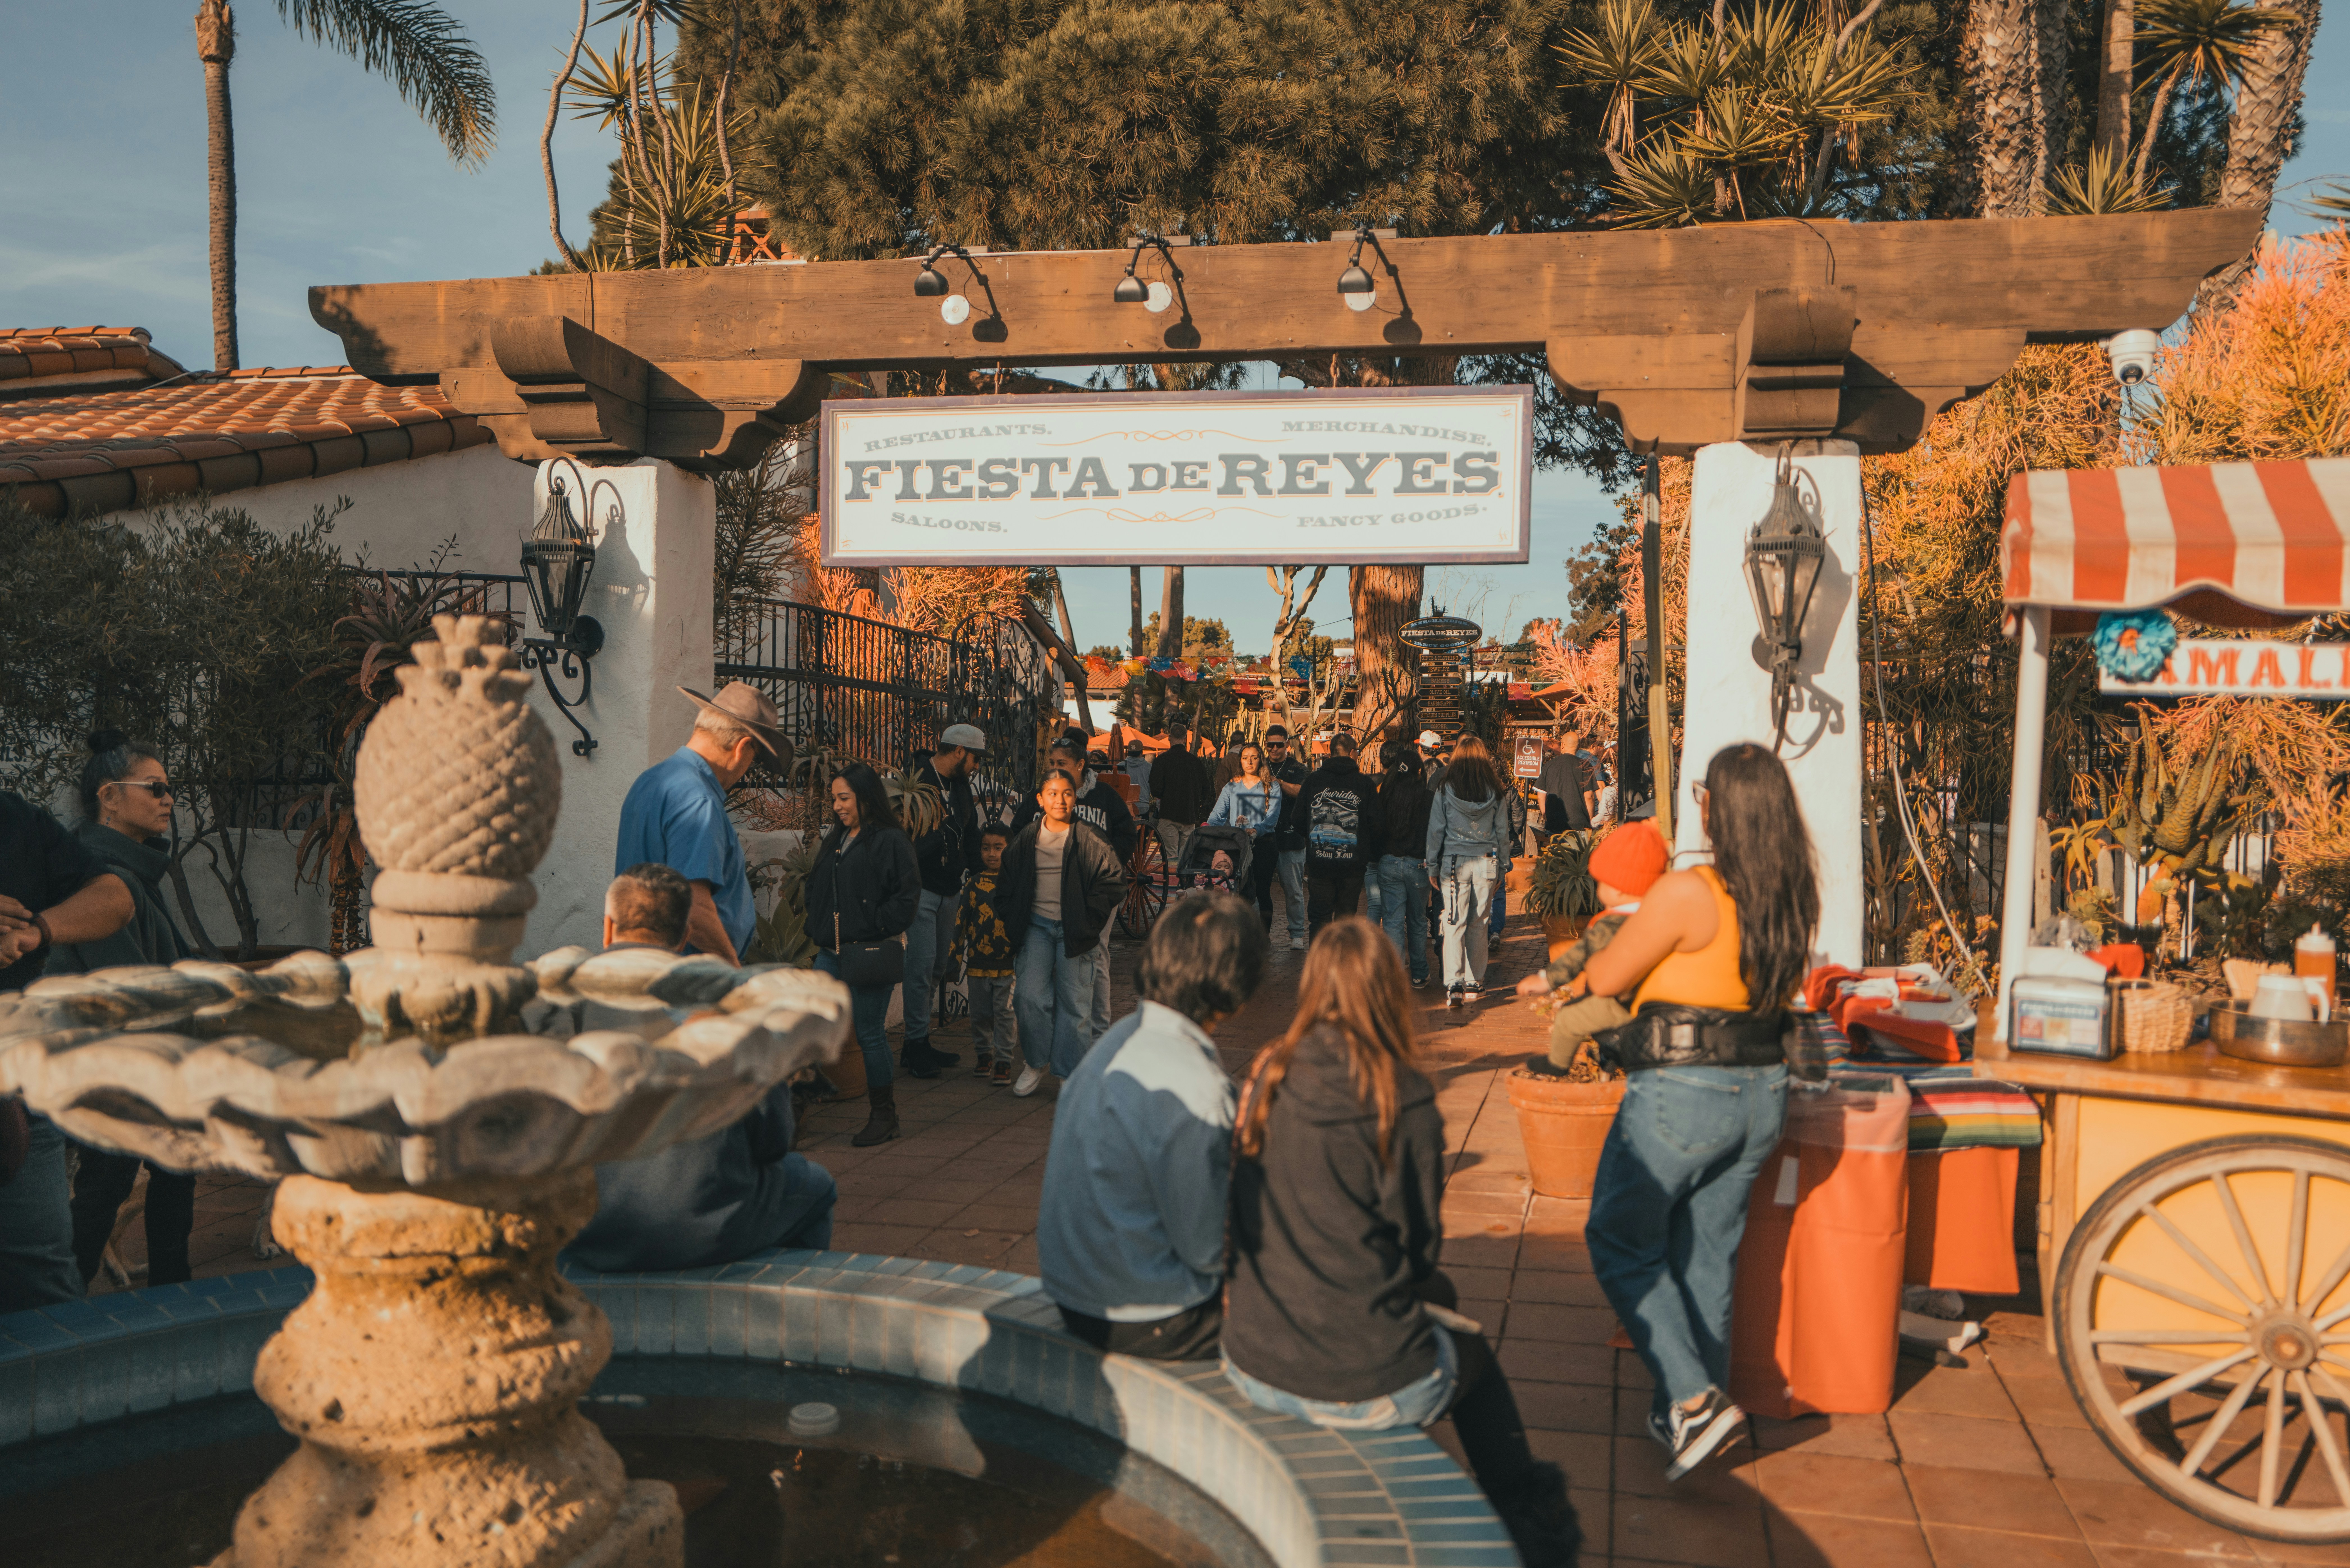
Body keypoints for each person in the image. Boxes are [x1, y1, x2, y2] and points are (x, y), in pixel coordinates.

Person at [1222, 919, 1579, 1567]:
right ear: (1388, 992)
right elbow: (1418, 1251)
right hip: (1354, 1371)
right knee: (1468, 1349)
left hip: (1253, 1353)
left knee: (1431, 1302)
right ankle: (1533, 1534)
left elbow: (1237, 1205)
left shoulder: (1268, 1074)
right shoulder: (1401, 1095)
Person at [1577, 744, 1817, 1481]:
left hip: (1686, 1092)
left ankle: (1693, 1401)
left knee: (1620, 1239)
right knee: (1707, 1256)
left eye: (1704, 793)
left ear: (1722, 808)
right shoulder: (1790, 894)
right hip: (1762, 1093)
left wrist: (1585, 977)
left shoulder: (1690, 891)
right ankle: (1687, 1412)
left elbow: (1610, 974)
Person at [568, 866, 836, 1270]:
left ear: (608, 929)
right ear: (682, 937)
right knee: (816, 1186)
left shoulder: (560, 1002)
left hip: (587, 1229)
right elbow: (774, 1140)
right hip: (702, 1229)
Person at [1039, 893, 1267, 1359]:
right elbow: (1206, 1249)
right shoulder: (1200, 1090)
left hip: (1070, 1288)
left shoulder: (1118, 1039)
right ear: (1234, 988)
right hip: (1143, 1314)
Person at [49, 734, 197, 1291]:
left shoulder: (125, 868)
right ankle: (59, 1301)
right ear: (109, 797)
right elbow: (126, 982)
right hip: (116, 1059)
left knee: (155, 1168)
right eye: (155, 788)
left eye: (170, 790)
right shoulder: (105, 876)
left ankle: (165, 1286)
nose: (169, 800)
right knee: (107, 1184)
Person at [0, 784, 134, 1312]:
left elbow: (113, 897)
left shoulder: (14, 817)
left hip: (20, 1081)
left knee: (44, 1273)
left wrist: (38, 929)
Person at [615, 682, 791, 967]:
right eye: (754, 758)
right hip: (688, 983)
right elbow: (694, 910)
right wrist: (732, 970)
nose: (749, 766)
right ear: (742, 748)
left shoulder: (648, 782)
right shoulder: (698, 799)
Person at [806, 762, 921, 1145]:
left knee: (870, 1034)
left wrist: (873, 924)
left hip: (869, 952)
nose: (837, 806)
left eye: (844, 798)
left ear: (865, 797)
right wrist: (817, 926)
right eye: (834, 799)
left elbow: (906, 899)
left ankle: (884, 1116)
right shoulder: (838, 838)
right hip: (831, 953)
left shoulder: (891, 840)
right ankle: (795, 1113)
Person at [1000, 770, 1128, 1093]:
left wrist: (1089, 918)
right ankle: (1035, 1061)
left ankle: (1069, 1072)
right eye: (1053, 793)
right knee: (1028, 998)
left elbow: (1113, 881)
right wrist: (1012, 918)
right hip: (1036, 929)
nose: (1060, 800)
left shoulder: (1090, 837)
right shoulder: (1027, 839)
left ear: (1075, 797)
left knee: (1076, 1004)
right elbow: (1006, 883)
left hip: (1075, 931)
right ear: (1040, 800)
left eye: (1067, 793)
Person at [1514, 820, 1671, 1073]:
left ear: (1619, 889)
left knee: (1570, 1016)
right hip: (1660, 1005)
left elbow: (1580, 955)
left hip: (1623, 1006)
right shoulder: (1663, 917)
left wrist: (1547, 980)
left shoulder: (1611, 924)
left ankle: (1558, 1063)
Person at [1013, 735, 1137, 1040]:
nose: (1055, 768)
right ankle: (1057, 1036)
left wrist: (1108, 871)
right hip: (1047, 895)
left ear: (1080, 765)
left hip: (1093, 895)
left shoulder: (1104, 797)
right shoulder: (1039, 796)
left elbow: (1126, 834)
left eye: (1062, 763)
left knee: (1095, 958)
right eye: (1051, 763)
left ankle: (1098, 1033)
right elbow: (1018, 832)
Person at [901, 723, 987, 1079]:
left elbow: (970, 834)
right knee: (920, 969)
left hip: (951, 888)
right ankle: (914, 1043)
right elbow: (902, 835)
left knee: (938, 968)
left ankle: (919, 1041)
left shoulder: (961, 787)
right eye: (976, 759)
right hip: (923, 888)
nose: (977, 767)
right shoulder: (916, 780)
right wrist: (937, 840)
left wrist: (983, 873)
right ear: (959, 752)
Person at [1426, 734, 1513, 1008]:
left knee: (1454, 922)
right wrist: (1503, 867)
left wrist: (1431, 863)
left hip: (1454, 860)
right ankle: (1475, 979)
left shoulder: (1444, 788)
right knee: (1480, 922)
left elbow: (1436, 829)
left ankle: (1455, 982)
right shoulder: (1495, 792)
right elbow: (1503, 833)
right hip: (1487, 861)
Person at [1296, 731, 1381, 940]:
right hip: (1352, 868)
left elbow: (1297, 818)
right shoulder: (1365, 784)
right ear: (1353, 753)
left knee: (1319, 919)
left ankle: (1319, 967)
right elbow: (1377, 824)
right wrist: (1366, 852)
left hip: (1320, 866)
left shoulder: (1313, 780)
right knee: (1346, 921)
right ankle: (1343, 967)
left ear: (1331, 753)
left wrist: (1312, 843)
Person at [952, 825, 1020, 1085]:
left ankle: (1004, 1060)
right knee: (980, 1013)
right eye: (986, 848)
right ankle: (984, 1055)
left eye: (998, 848)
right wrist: (954, 959)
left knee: (1005, 1014)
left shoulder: (1015, 883)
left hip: (1008, 963)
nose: (991, 854)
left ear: (1009, 849)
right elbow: (960, 922)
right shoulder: (973, 884)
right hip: (978, 963)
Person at [1373, 740, 1435, 989]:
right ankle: (1420, 972)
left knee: (1392, 921)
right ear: (1419, 771)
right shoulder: (1429, 798)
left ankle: (1395, 974)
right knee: (1418, 921)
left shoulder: (1385, 795)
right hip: (1419, 865)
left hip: (1388, 862)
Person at [1204, 741, 1284, 927]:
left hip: (1264, 845)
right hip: (1237, 846)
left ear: (1261, 760)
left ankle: (1264, 937)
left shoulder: (1272, 786)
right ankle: (1240, 934)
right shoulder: (1232, 787)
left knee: (1262, 891)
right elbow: (1217, 816)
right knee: (1237, 892)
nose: (1250, 762)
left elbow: (1272, 818)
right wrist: (1208, 831)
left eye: (1254, 758)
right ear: (1240, 761)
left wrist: (1257, 830)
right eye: (1245, 758)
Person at [1261, 725, 1312, 951]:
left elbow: (1303, 792)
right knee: (1259, 890)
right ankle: (1261, 934)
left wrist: (1278, 783)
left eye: (1279, 745)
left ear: (1287, 745)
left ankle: (1297, 933)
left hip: (1291, 838)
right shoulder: (1259, 766)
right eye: (1270, 744)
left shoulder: (1298, 768)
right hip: (1263, 838)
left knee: (1293, 890)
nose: (1274, 749)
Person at [1148, 718, 1214, 871]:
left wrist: (1164, 795)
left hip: (1168, 814)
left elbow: (1155, 788)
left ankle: (1171, 890)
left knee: (1170, 858)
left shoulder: (1162, 760)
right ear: (1186, 739)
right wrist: (1197, 802)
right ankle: (1183, 888)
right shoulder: (1195, 762)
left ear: (1170, 738)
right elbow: (1207, 788)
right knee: (1185, 857)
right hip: (1189, 817)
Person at [1538, 732, 1596, 842]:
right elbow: (1589, 797)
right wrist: (1591, 821)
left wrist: (1547, 819)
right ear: (1578, 747)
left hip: (1555, 826)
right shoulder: (1586, 765)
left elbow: (1541, 796)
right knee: (1577, 859)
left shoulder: (1549, 765)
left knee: (1557, 858)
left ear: (1563, 745)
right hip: (1580, 826)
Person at [1120, 738, 1154, 810]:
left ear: (1128, 753)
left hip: (1125, 807)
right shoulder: (1150, 767)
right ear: (1142, 752)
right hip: (1144, 806)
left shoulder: (1120, 766)